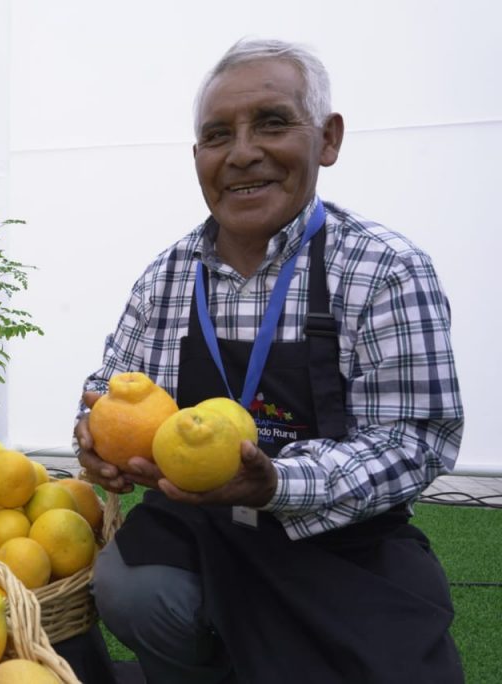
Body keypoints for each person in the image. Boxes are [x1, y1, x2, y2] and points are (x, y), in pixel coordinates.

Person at [74, 38, 464, 684]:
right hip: (201, 527)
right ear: (197, 157)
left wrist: (279, 484)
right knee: (130, 589)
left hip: (341, 539)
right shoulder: (167, 278)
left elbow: (413, 441)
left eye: (273, 123)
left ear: (328, 140)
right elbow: (107, 389)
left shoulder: (384, 269)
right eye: (218, 135)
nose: (243, 153)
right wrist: (92, 435)